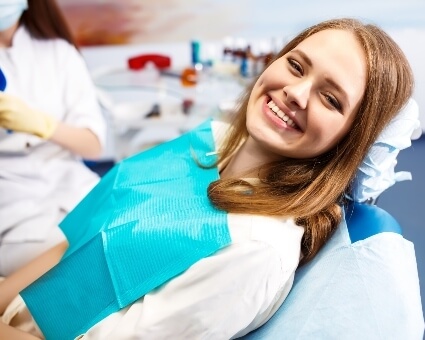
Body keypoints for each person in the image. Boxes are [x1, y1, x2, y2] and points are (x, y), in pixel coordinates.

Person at [0, 18, 416, 339]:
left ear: (352, 139)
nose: (296, 92)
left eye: (330, 98)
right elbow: (75, 241)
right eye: (295, 65)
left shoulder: (255, 249)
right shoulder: (208, 143)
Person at [0, 0, 106, 276]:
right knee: (79, 258)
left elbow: (93, 144)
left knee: (124, 232)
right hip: (13, 212)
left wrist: (44, 126)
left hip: (76, 189)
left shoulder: (59, 53)